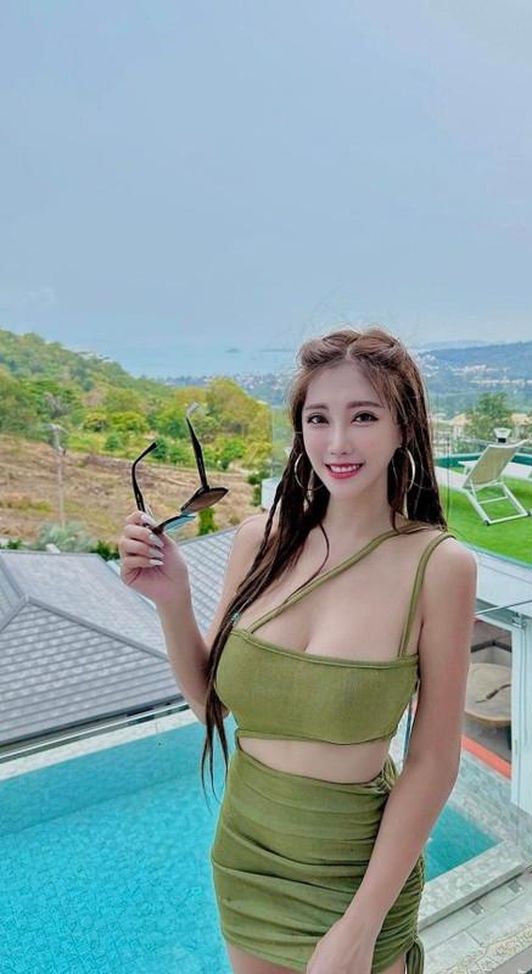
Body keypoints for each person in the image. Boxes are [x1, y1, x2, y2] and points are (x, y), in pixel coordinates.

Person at [119, 325, 477, 974]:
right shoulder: (259, 540)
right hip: (246, 856)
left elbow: (432, 761)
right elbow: (211, 706)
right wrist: (171, 600)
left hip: (354, 873)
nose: (337, 442)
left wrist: (361, 926)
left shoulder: (438, 566)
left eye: (363, 416)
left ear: (403, 427)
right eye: (319, 418)